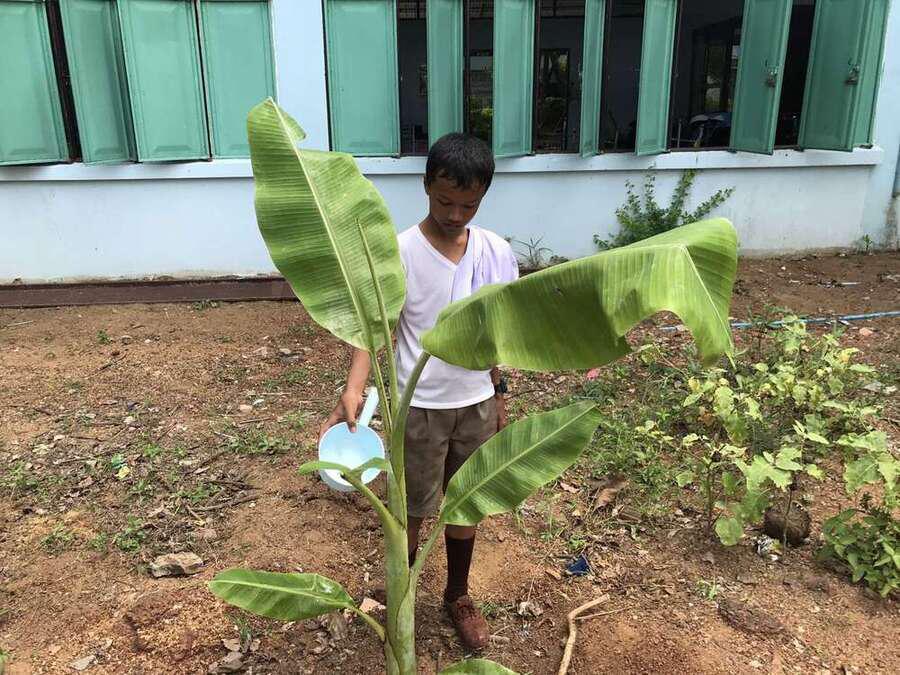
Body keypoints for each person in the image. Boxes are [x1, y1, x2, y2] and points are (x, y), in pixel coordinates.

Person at [319, 133, 518, 650]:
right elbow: (375, 328)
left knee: (466, 504)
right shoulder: (400, 252)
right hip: (419, 406)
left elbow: (497, 333)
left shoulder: (495, 252)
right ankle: (400, 594)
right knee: (412, 510)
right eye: (445, 201)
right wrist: (354, 388)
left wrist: (499, 394)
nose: (455, 215)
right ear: (426, 185)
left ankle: (458, 595)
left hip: (474, 403)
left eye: (468, 205)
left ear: (483, 196)